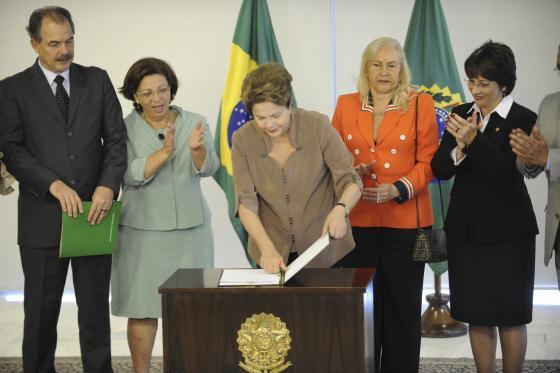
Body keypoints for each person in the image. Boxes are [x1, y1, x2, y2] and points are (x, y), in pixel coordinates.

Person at [0, 6, 127, 372]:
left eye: (69, 40)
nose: (65, 50)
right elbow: (13, 150)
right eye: (54, 43)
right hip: (42, 220)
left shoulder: (97, 80)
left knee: (94, 315)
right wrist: (52, 184)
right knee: (40, 317)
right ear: (34, 44)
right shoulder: (11, 90)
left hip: (93, 214)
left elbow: (116, 141)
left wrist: (107, 187)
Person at [331, 37, 439, 373]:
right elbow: (335, 159)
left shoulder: (421, 104)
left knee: (403, 308)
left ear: (402, 69)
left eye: (392, 65)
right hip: (358, 220)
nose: (384, 72)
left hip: (407, 221)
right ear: (366, 67)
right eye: (377, 64)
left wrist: (398, 188)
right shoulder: (346, 104)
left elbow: (429, 162)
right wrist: (354, 173)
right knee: (360, 307)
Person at [431, 41, 538, 373]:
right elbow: (440, 169)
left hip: (509, 233)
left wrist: (475, 141)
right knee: (476, 313)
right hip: (466, 232)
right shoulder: (461, 113)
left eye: (484, 83)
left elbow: (507, 172)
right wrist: (458, 149)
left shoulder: (523, 117)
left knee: (509, 315)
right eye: (471, 81)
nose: (475, 89)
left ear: (503, 83)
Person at [111, 57, 218, 373]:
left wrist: (197, 152)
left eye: (162, 90)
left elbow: (210, 168)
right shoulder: (123, 128)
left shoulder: (195, 121)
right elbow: (127, 174)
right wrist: (164, 154)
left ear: (172, 90)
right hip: (141, 232)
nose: (156, 99)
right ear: (134, 95)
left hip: (191, 231)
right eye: (147, 93)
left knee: (189, 309)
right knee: (142, 309)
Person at [231, 63, 362, 274]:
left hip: (326, 248)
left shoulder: (317, 126)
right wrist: (267, 249)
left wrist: (341, 209)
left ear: (289, 103)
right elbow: (245, 201)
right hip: (272, 252)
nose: (269, 124)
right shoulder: (242, 140)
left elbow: (351, 180)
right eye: (260, 118)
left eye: (276, 116)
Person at [510, 44, 560, 289]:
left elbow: (547, 157)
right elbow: (531, 165)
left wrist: (549, 159)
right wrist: (528, 157)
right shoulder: (549, 104)